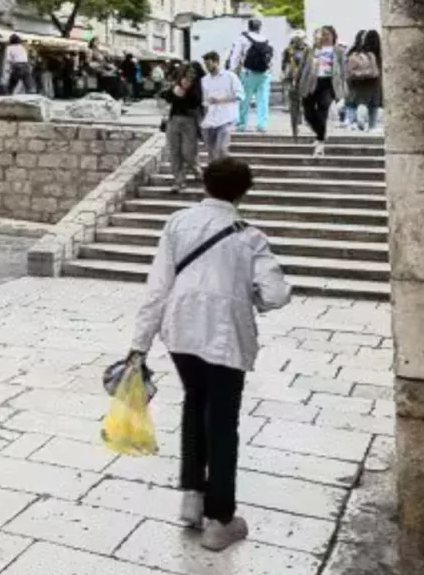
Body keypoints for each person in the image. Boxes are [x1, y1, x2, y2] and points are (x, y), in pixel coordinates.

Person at [128, 157, 292, 552]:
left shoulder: (178, 222)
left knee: (193, 405)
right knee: (221, 422)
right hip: (224, 337)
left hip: (179, 331)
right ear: (243, 191)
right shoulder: (250, 236)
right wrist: (252, 298)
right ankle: (220, 518)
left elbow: (157, 287)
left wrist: (139, 344)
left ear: (205, 184)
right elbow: (275, 293)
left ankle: (191, 499)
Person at [301, 26, 344, 154]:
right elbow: (302, 68)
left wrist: (343, 88)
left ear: (333, 36)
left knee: (323, 108)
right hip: (311, 83)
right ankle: (321, 133)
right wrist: (297, 83)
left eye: (327, 35)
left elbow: (343, 71)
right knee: (308, 112)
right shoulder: (310, 50)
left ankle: (320, 140)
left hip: (328, 84)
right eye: (322, 35)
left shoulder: (338, 51)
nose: (324, 37)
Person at [162, 63, 204, 191]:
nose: (190, 75)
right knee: (174, 152)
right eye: (188, 72)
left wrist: (186, 91)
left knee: (188, 152)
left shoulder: (199, 86)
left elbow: (196, 102)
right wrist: (176, 90)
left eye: (193, 73)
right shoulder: (178, 83)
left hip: (190, 121)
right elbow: (166, 96)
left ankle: (196, 169)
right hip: (174, 120)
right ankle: (178, 181)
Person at [228, 19, 274, 133]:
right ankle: (262, 124)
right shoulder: (266, 40)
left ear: (248, 27)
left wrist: (232, 71)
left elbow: (236, 56)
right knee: (263, 99)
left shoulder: (243, 39)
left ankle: (242, 124)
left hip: (248, 73)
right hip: (264, 73)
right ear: (259, 27)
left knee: (244, 99)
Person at [198, 51, 243, 161]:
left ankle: (227, 172)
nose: (207, 67)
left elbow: (240, 95)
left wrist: (220, 100)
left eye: (208, 63)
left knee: (222, 148)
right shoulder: (204, 80)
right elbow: (203, 101)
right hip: (209, 120)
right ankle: (215, 174)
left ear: (216, 62)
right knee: (211, 151)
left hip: (226, 118)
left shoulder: (230, 76)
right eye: (205, 64)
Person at [346, 29, 383, 131]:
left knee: (358, 102)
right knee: (373, 104)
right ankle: (372, 126)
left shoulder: (354, 51)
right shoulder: (377, 51)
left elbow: (348, 68)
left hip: (358, 82)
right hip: (374, 81)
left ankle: (354, 122)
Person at [280, 35, 309, 139]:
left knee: (295, 103)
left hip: (293, 79)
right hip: (300, 79)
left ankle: (296, 124)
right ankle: (298, 122)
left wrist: (284, 73)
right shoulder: (307, 49)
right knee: (300, 101)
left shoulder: (288, 50)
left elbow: (283, 65)